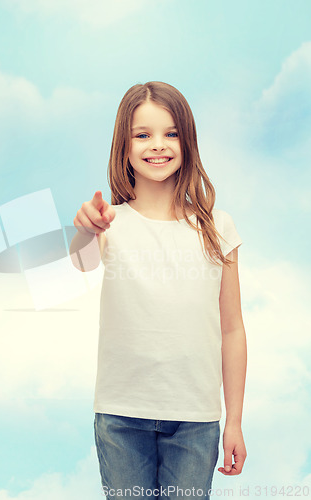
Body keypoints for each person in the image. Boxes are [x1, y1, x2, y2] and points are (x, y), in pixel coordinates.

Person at [70, 81, 247, 500]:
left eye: (171, 133)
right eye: (142, 134)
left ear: (187, 141)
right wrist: (82, 229)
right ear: (124, 145)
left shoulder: (216, 227)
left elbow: (232, 329)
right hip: (120, 416)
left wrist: (234, 420)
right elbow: (80, 264)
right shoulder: (107, 222)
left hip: (195, 418)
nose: (158, 145)